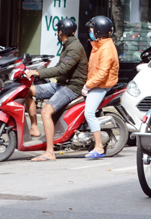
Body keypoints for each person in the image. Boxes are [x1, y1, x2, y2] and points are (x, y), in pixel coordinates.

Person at [25, 19, 88, 162]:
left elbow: (62, 69)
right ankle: (34, 127)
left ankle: (49, 152)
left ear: (61, 32)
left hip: (71, 87)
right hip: (61, 84)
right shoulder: (67, 45)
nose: (57, 33)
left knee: (46, 111)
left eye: (58, 30)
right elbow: (60, 68)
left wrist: (38, 73)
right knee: (28, 91)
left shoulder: (74, 47)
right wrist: (38, 70)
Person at [82, 15, 119, 159]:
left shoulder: (106, 49)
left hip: (101, 85)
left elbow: (102, 74)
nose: (90, 31)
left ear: (98, 30)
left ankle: (99, 148)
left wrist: (87, 85)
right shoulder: (99, 45)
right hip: (95, 83)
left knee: (89, 113)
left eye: (92, 28)